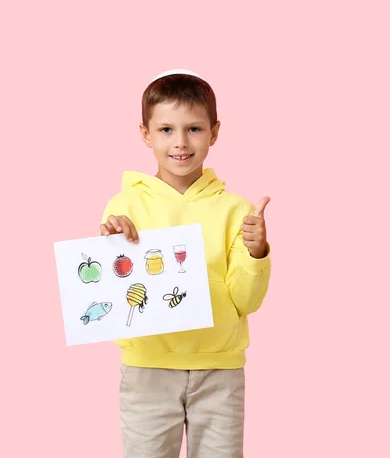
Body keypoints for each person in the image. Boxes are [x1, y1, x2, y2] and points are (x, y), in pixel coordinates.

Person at [100, 68, 272, 458]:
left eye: (194, 129)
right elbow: (115, 292)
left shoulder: (236, 210)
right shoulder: (124, 205)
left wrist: (256, 252)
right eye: (165, 130)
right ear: (145, 133)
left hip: (219, 371)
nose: (180, 142)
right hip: (148, 368)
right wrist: (113, 245)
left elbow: (247, 301)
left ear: (214, 132)